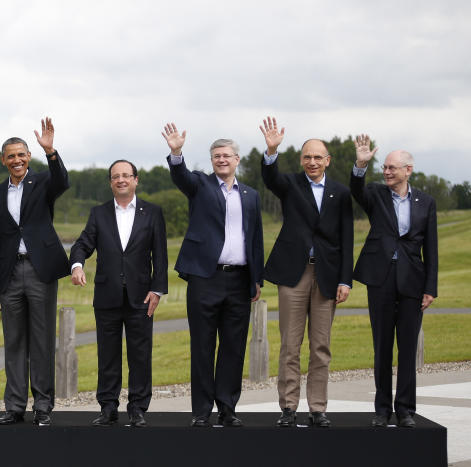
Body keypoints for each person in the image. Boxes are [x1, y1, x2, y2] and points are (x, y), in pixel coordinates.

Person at [162, 123, 263, 427]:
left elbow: (254, 237)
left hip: (239, 279)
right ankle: (202, 411)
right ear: (212, 161)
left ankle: (228, 408)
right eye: (216, 156)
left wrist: (256, 278)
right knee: (203, 346)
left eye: (226, 155)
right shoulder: (200, 186)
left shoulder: (251, 195)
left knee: (234, 346)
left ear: (237, 160)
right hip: (205, 278)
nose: (221, 159)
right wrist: (176, 152)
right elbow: (180, 175)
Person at [257, 118, 353, 428]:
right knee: (290, 344)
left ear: (328, 160)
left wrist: (345, 279)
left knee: (320, 346)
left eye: (317, 157)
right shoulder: (290, 185)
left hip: (326, 275)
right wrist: (271, 150)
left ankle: (318, 408)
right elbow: (270, 177)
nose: (312, 162)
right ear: (301, 160)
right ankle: (288, 407)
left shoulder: (340, 193)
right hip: (294, 275)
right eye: (307, 157)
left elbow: (347, 238)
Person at [69, 159, 168, 428]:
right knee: (108, 355)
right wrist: (77, 264)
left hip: (141, 297)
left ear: (136, 180)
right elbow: (82, 244)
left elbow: (160, 255)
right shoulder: (99, 213)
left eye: (126, 175)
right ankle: (108, 407)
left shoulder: (152, 212)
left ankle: (137, 408)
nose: (121, 180)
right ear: (110, 182)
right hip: (107, 296)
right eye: (116, 176)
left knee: (140, 355)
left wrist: (157, 290)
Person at [0, 118, 69, 427]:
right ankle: (15, 406)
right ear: (3, 160)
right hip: (8, 275)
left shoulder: (44, 182)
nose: (17, 160)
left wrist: (51, 151)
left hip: (40, 270)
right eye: (11, 156)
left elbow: (63, 180)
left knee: (42, 340)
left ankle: (43, 406)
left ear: (28, 156)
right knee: (14, 341)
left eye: (22, 154)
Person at [351, 135, 437, 429]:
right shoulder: (375, 194)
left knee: (407, 348)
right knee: (382, 347)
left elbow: (432, 248)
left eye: (392, 168)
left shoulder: (426, 202)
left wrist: (430, 287)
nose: (386, 172)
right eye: (385, 167)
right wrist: (361, 165)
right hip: (381, 280)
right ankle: (382, 409)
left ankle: (405, 410)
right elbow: (356, 189)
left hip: (413, 283)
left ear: (408, 170)